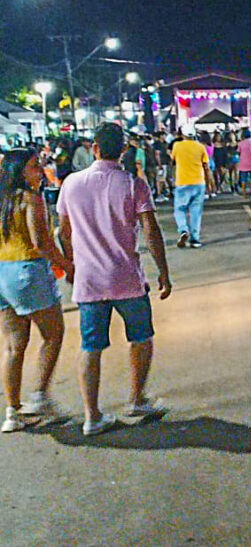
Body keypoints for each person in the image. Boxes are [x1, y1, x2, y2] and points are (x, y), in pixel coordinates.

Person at [57, 123, 171, 437]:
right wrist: (163, 270)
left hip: (89, 281)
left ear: (94, 148)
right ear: (123, 150)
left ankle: (92, 416)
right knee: (141, 337)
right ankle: (137, 399)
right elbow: (151, 230)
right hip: (127, 279)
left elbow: (63, 231)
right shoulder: (134, 184)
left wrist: (71, 265)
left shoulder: (71, 183)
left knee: (90, 347)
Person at [0, 149, 73, 433]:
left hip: (2, 274)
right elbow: (41, 243)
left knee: (13, 346)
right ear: (19, 171)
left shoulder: (3, 200)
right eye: (34, 166)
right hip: (27, 271)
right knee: (53, 334)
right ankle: (40, 397)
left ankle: (12, 412)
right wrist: (67, 266)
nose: (40, 171)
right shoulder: (30, 199)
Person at [170, 127, 211, 248]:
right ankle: (195, 239)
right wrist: (208, 182)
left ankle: (183, 230)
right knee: (196, 212)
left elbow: (173, 160)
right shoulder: (200, 147)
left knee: (180, 209)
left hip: (182, 182)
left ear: (182, 134)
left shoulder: (177, 146)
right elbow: (206, 166)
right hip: (198, 182)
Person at [237, 128, 251, 195]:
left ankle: (244, 193)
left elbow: (238, 152)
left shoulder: (240, 143)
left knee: (243, 179)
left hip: (243, 163)